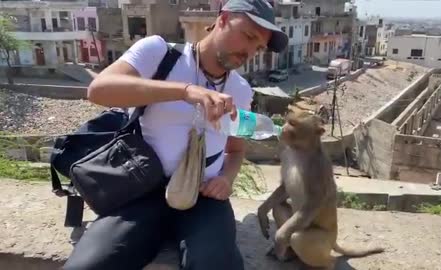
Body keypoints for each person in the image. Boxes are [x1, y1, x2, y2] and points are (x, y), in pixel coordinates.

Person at [63, 0, 288, 269]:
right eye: (249, 36)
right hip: (143, 189)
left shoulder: (240, 91)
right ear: (224, 19)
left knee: (214, 263)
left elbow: (235, 150)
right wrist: (184, 91)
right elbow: (99, 90)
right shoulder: (159, 53)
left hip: (204, 198)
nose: (249, 51)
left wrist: (226, 179)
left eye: (258, 47)